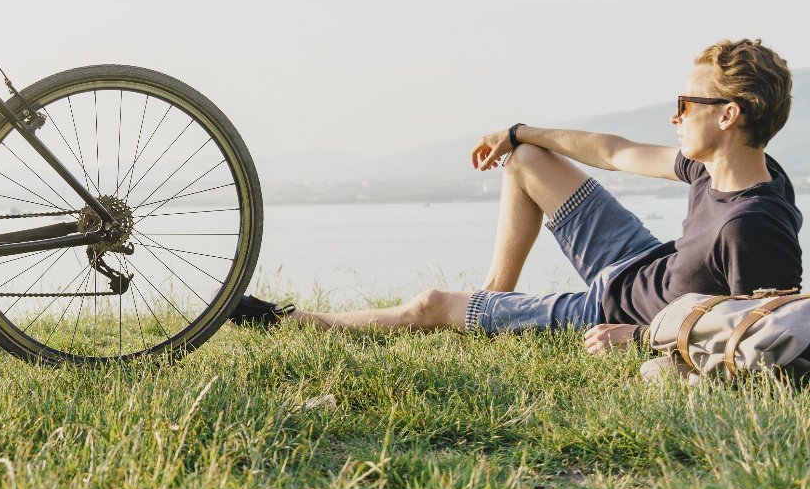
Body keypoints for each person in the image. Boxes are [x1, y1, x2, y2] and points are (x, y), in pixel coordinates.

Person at [278, 39, 802, 353]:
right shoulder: (717, 170)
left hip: (612, 309)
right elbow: (617, 151)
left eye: (687, 104)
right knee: (526, 159)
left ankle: (296, 322)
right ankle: (491, 297)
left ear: (728, 115)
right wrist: (520, 131)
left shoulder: (752, 225)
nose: (675, 116)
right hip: (635, 261)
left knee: (429, 305)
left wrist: (639, 339)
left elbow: (763, 335)